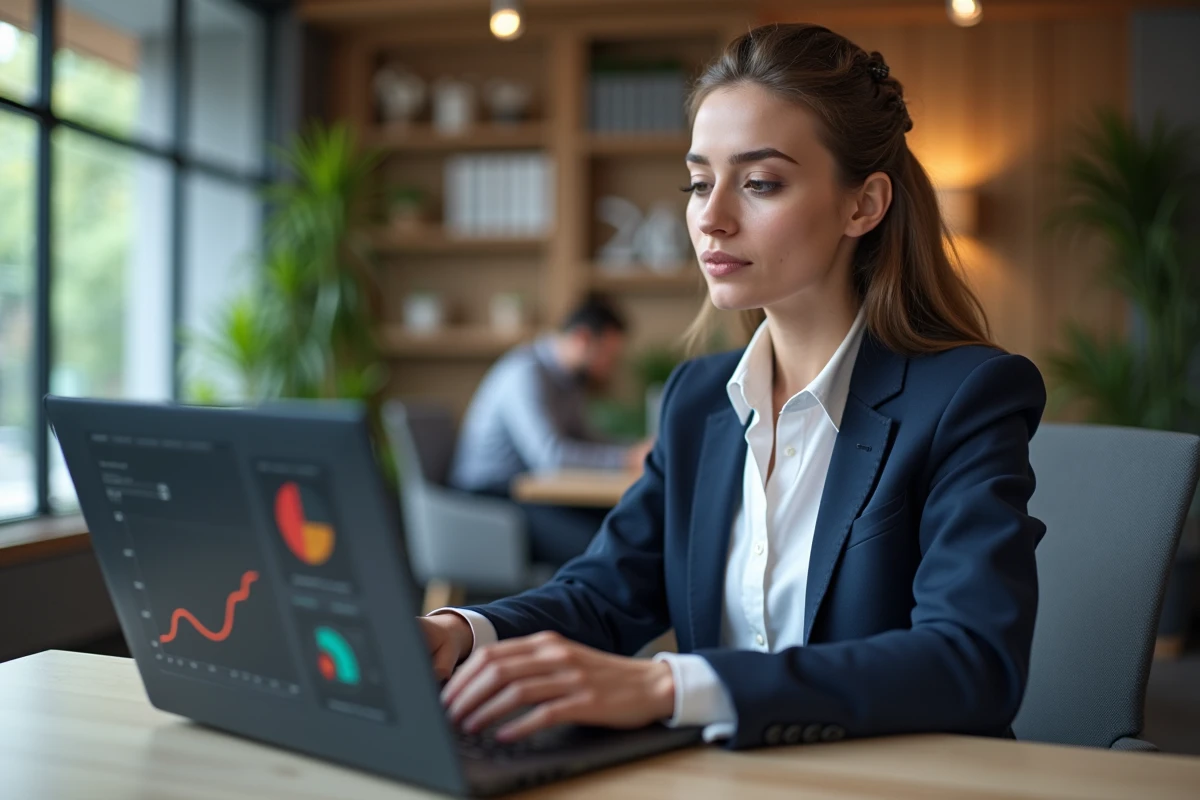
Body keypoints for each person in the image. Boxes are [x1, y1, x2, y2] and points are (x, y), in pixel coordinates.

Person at [422, 23, 1047, 749]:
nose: (710, 218)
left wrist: (669, 684)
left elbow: (972, 661)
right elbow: (602, 594)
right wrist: (457, 631)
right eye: (697, 182)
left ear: (863, 205)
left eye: (760, 183)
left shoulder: (966, 396)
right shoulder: (699, 400)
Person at [449, 293, 653, 566]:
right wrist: (625, 459)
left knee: (626, 525)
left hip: (532, 494)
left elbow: (583, 438)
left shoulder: (570, 380)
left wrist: (633, 450)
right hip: (489, 499)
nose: (610, 367)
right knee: (598, 545)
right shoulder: (524, 373)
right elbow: (551, 457)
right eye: (608, 355)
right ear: (582, 338)